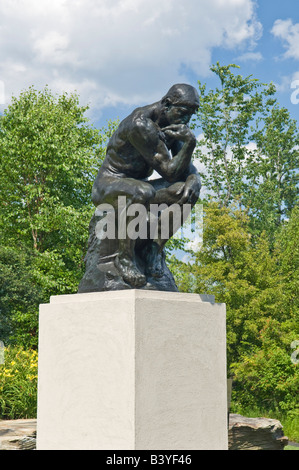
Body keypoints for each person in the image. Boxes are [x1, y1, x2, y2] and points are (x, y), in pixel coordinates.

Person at [91, 83, 201, 288]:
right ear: (167, 104)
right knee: (143, 191)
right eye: (184, 113)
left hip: (139, 187)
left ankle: (153, 250)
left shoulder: (171, 125)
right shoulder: (141, 124)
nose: (187, 120)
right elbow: (169, 171)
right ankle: (124, 259)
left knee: (183, 191)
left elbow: (185, 171)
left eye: (191, 115)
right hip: (108, 184)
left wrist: (195, 180)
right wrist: (189, 144)